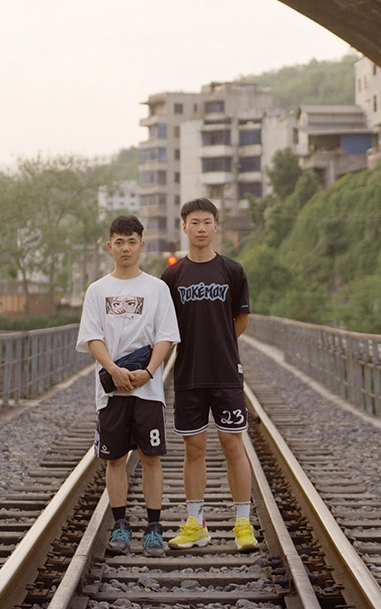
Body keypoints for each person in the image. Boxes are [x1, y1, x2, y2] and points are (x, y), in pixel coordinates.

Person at [77, 214, 180, 557]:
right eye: (119, 242)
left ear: (141, 245)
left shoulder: (157, 288)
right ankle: (120, 524)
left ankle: (153, 527)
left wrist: (150, 372)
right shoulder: (97, 290)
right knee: (115, 458)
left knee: (151, 457)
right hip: (110, 391)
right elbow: (92, 336)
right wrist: (113, 370)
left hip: (148, 390)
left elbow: (166, 336)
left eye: (131, 241)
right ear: (110, 246)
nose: (125, 248)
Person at [162, 198, 256, 551]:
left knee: (233, 444)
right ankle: (196, 523)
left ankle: (243, 523)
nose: (201, 228)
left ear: (216, 227)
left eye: (207, 222)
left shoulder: (232, 271)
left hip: (226, 373)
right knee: (194, 448)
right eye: (194, 222)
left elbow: (241, 319)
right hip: (188, 374)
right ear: (184, 227)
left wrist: (219, 343)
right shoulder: (172, 275)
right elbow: (165, 326)